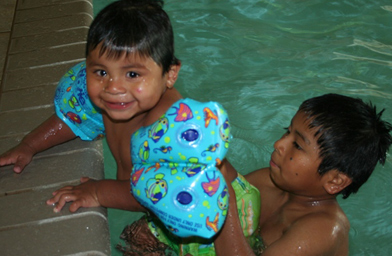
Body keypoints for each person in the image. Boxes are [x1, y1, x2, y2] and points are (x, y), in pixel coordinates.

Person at [0, 1, 261, 255]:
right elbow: (73, 118)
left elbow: (150, 192)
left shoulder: (168, 126)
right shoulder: (115, 99)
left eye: (133, 75)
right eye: (101, 72)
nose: (113, 87)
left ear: (170, 74)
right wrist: (29, 145)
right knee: (132, 242)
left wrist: (98, 191)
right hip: (157, 207)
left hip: (207, 207)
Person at [214, 93, 392, 256]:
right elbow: (219, 174)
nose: (279, 143)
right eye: (287, 131)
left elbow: (225, 198)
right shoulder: (268, 181)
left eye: (297, 145)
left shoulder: (324, 229)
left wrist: (225, 202)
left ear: (335, 181)